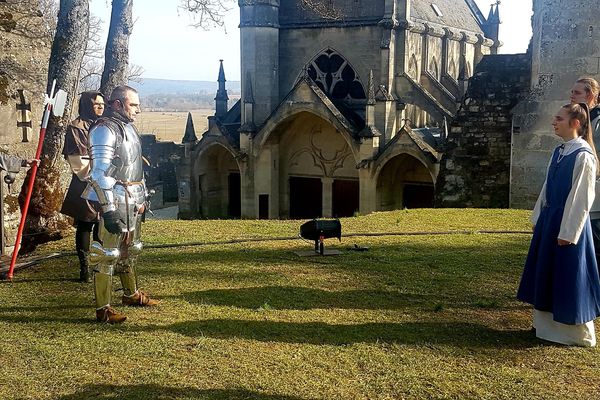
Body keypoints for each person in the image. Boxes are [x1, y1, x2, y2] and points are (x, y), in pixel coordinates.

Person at [517, 103, 600, 347]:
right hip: (550, 219)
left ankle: (572, 334)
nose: (554, 122)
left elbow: (582, 198)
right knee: (546, 271)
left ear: (575, 123)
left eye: (559, 118)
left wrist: (569, 233)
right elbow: (547, 187)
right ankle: (544, 327)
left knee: (568, 275)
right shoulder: (559, 152)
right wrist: (538, 218)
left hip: (568, 224)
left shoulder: (583, 156)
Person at [82, 85, 157, 324]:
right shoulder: (104, 130)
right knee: (108, 253)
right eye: (133, 104)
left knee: (131, 249)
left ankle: (131, 294)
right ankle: (103, 308)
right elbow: (98, 174)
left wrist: (142, 197)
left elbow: (135, 167)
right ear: (117, 104)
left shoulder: (128, 128)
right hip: (114, 196)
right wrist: (109, 209)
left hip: (132, 196)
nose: (138, 109)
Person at [60, 91, 105, 282]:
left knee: (103, 224)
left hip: (105, 182)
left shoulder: (104, 125)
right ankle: (85, 269)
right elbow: (78, 161)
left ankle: (101, 265)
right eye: (96, 104)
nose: (100, 107)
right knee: (86, 224)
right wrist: (96, 175)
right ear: (87, 105)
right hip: (85, 183)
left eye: (102, 104)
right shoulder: (76, 127)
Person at [569, 78, 600, 267]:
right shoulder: (581, 121)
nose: (571, 95)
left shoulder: (597, 122)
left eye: (576, 92)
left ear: (589, 95)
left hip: (596, 196)